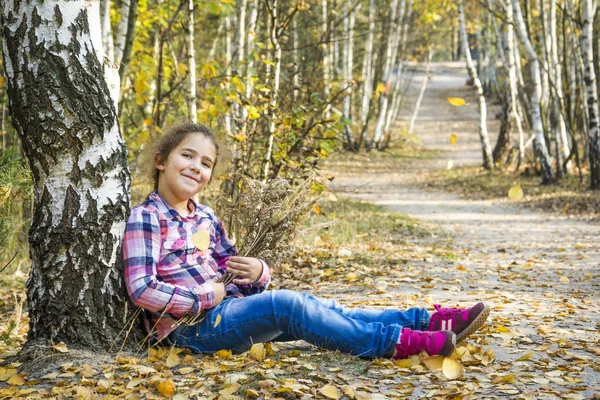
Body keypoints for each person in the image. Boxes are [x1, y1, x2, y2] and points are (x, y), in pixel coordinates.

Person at [123, 122, 490, 359]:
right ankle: (398, 344)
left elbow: (232, 272)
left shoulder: (205, 217)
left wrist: (259, 273)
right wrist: (207, 297)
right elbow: (141, 288)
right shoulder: (146, 217)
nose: (195, 167)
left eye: (205, 163)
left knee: (325, 309)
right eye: (186, 155)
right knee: (290, 306)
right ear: (160, 161)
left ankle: (425, 322)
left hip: (230, 313)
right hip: (192, 331)